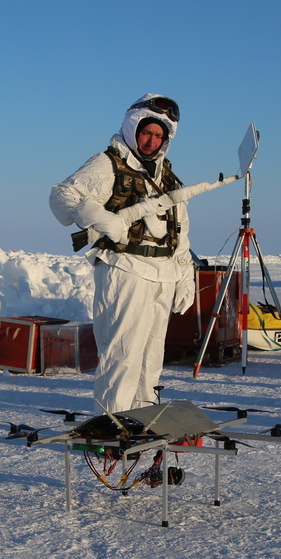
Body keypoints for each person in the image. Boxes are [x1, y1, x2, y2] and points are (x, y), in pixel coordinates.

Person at [50, 94, 196, 414]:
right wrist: (104, 220)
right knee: (123, 353)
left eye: (159, 135)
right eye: (147, 132)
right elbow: (62, 197)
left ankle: (143, 414)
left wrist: (186, 276)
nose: (151, 141)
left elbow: (180, 231)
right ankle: (112, 421)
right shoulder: (108, 163)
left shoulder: (166, 176)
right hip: (126, 268)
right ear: (134, 127)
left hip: (163, 274)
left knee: (151, 354)